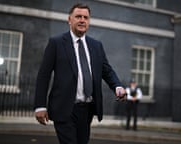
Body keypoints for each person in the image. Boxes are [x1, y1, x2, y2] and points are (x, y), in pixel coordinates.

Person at [34, 3, 127, 144]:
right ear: (69, 20)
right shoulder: (56, 43)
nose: (82, 20)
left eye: (86, 17)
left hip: (87, 110)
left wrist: (117, 86)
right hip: (64, 109)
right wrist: (40, 106)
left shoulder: (96, 45)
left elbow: (106, 70)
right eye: (78, 16)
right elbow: (43, 76)